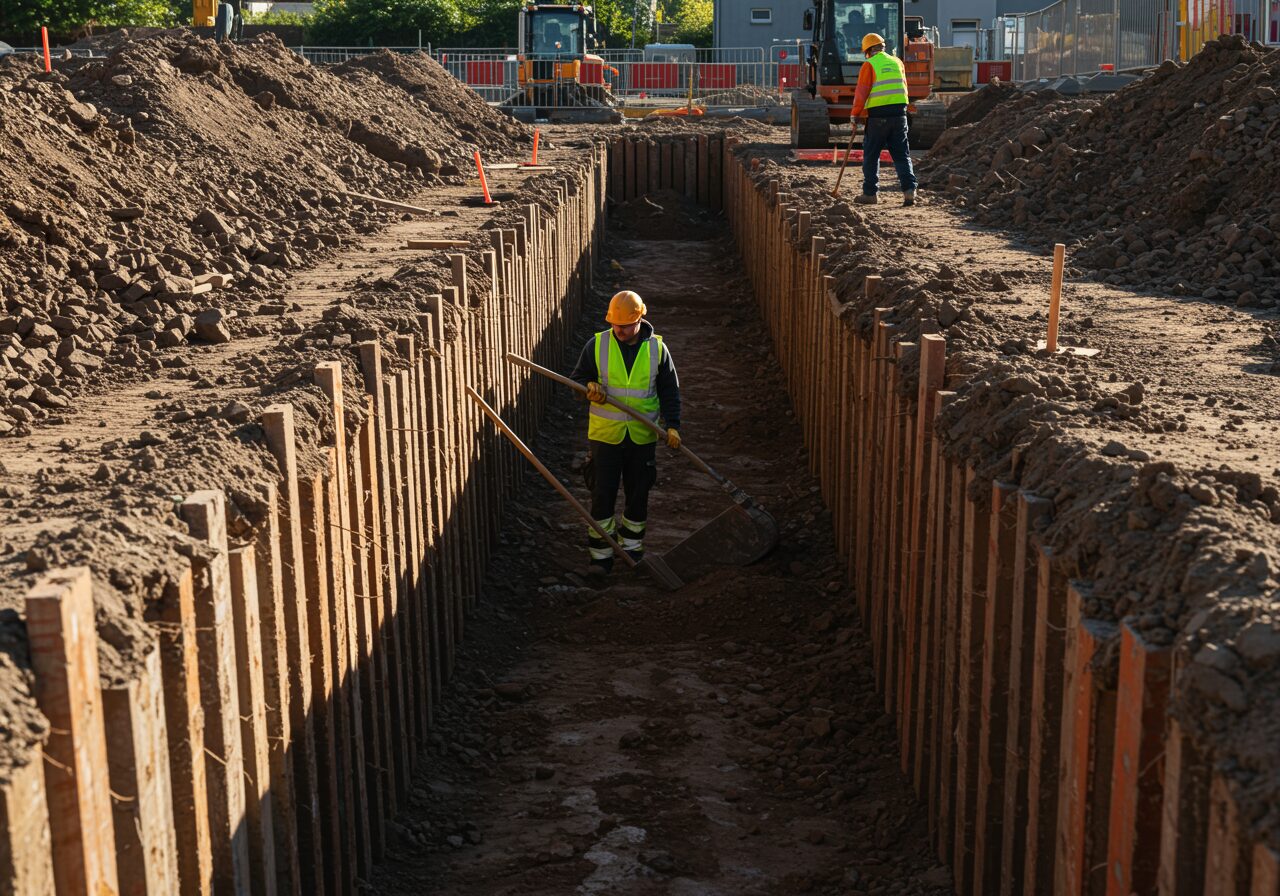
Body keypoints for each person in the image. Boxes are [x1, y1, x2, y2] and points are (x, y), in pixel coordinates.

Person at [570, 290, 681, 574]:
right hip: (605, 436)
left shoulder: (657, 349)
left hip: (642, 437)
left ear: (640, 319)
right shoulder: (597, 345)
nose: (619, 330)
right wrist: (588, 388)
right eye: (615, 324)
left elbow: (669, 390)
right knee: (602, 495)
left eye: (625, 325)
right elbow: (578, 379)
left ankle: (632, 553)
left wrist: (673, 426)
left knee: (638, 495)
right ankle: (601, 558)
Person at [850, 32, 918, 207]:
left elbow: (862, 91)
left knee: (871, 155)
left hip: (878, 117)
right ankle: (909, 191)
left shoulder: (869, 65)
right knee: (902, 155)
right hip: (900, 115)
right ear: (882, 47)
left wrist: (855, 114)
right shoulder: (898, 62)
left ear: (868, 50)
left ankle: (870, 194)